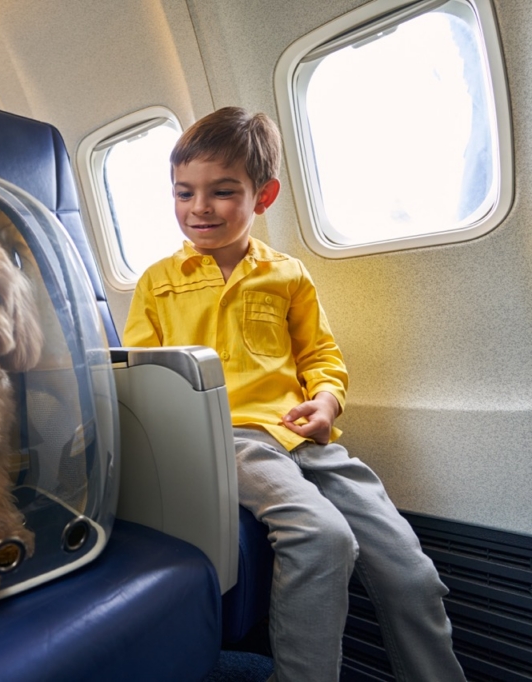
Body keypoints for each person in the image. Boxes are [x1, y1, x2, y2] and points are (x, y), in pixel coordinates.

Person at [123, 106, 465, 681]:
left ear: (264, 196)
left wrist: (327, 402)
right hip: (229, 438)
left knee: (411, 570)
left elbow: (321, 359)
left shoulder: (288, 274)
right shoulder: (158, 282)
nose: (199, 207)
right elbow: (141, 377)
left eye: (222, 191)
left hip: (309, 438)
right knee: (323, 537)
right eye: (184, 193)